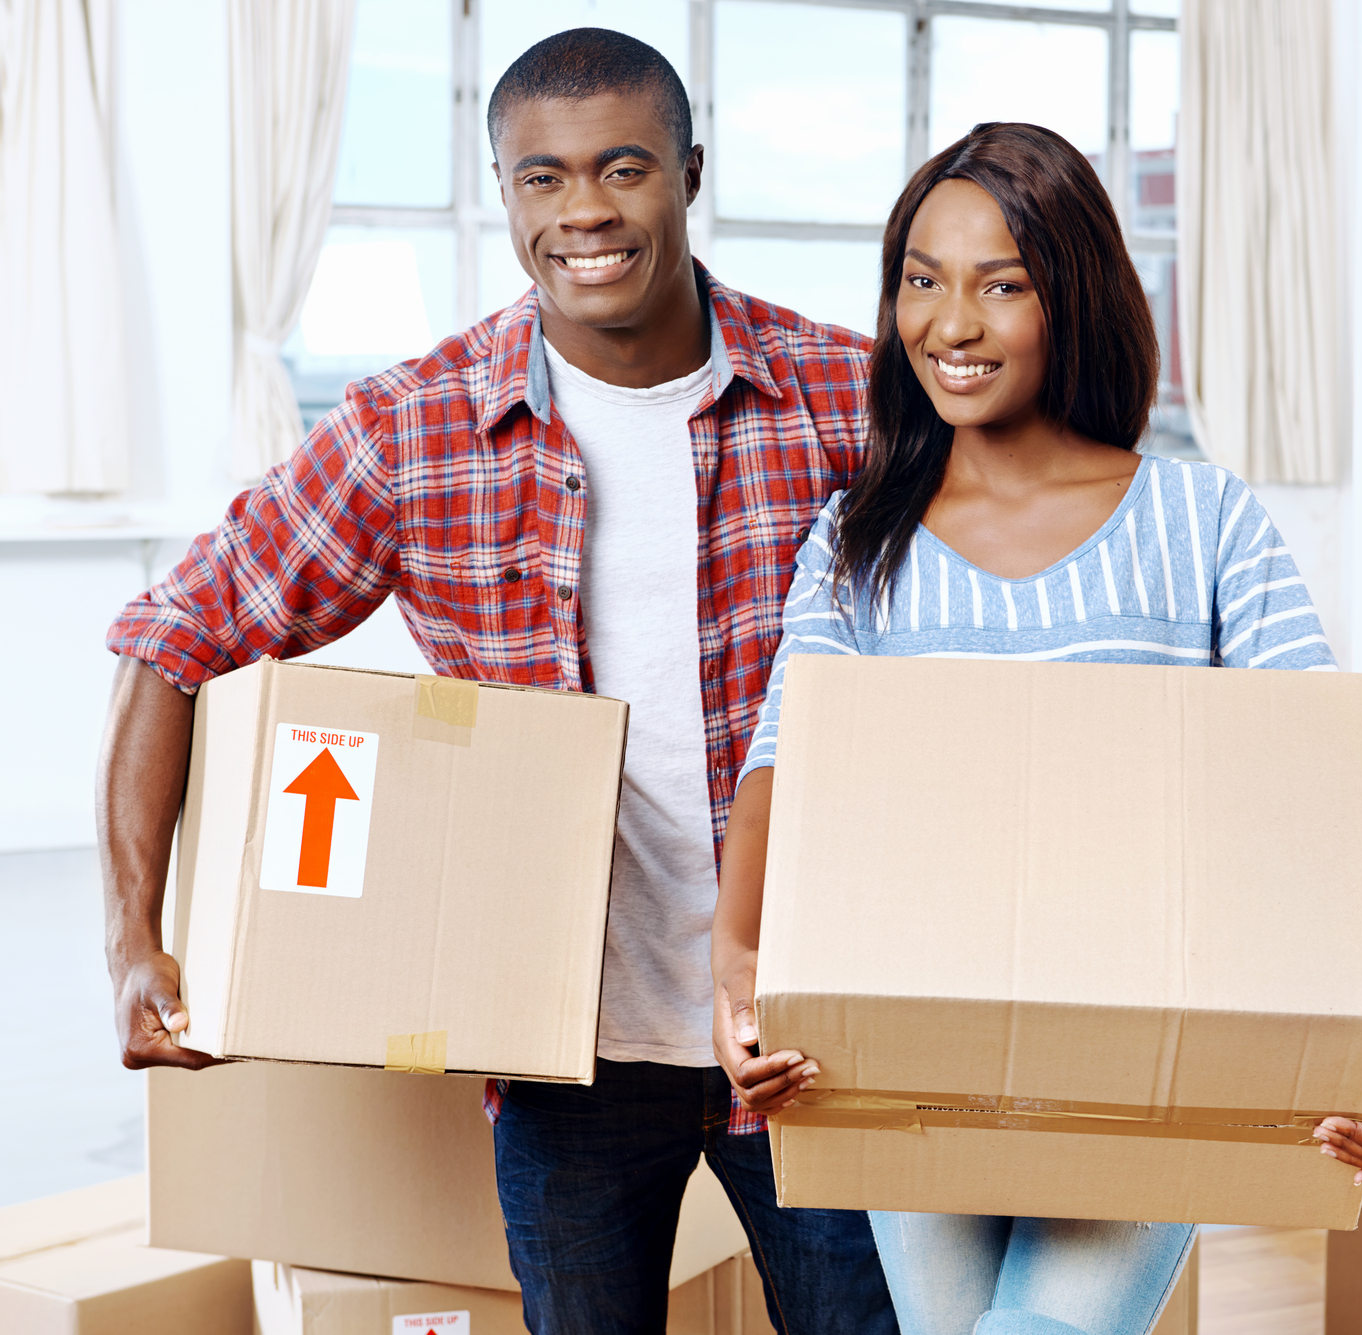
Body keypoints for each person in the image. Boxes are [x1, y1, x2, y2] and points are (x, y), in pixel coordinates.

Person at [98, 28, 895, 1335]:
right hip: (563, 1054)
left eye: (624, 167)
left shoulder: (840, 398)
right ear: (502, 191)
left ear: (691, 173)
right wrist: (133, 941)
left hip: (818, 1038)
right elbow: (172, 633)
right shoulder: (415, 427)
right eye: (543, 178)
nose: (584, 209)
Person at [709, 123, 1362, 1335]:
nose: (952, 324)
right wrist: (736, 980)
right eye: (921, 280)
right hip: (911, 1046)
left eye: (1002, 284)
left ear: (1075, 294)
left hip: (1147, 1053)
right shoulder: (856, 544)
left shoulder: (1200, 523)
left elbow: (1341, 782)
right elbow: (789, 765)